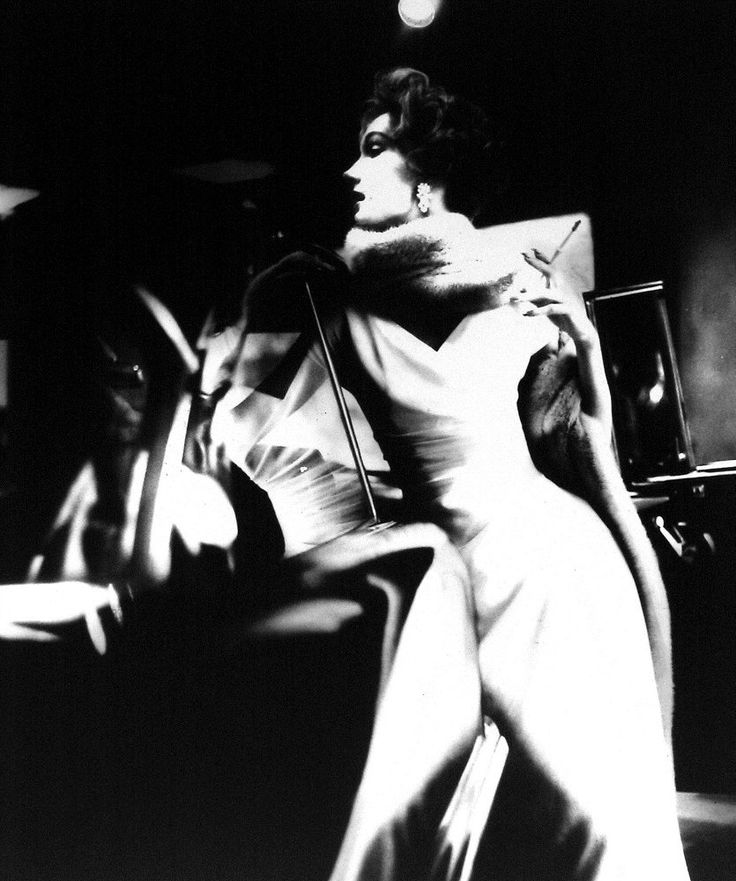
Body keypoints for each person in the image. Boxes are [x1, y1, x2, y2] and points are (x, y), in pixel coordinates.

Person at [200, 68, 690, 879]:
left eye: (375, 149)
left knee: (597, 822)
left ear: (425, 180)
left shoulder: (514, 280)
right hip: (447, 585)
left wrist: (587, 346)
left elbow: (575, 438)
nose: (352, 170)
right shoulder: (337, 302)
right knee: (483, 830)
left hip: (557, 570)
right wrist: (257, 305)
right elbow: (233, 413)